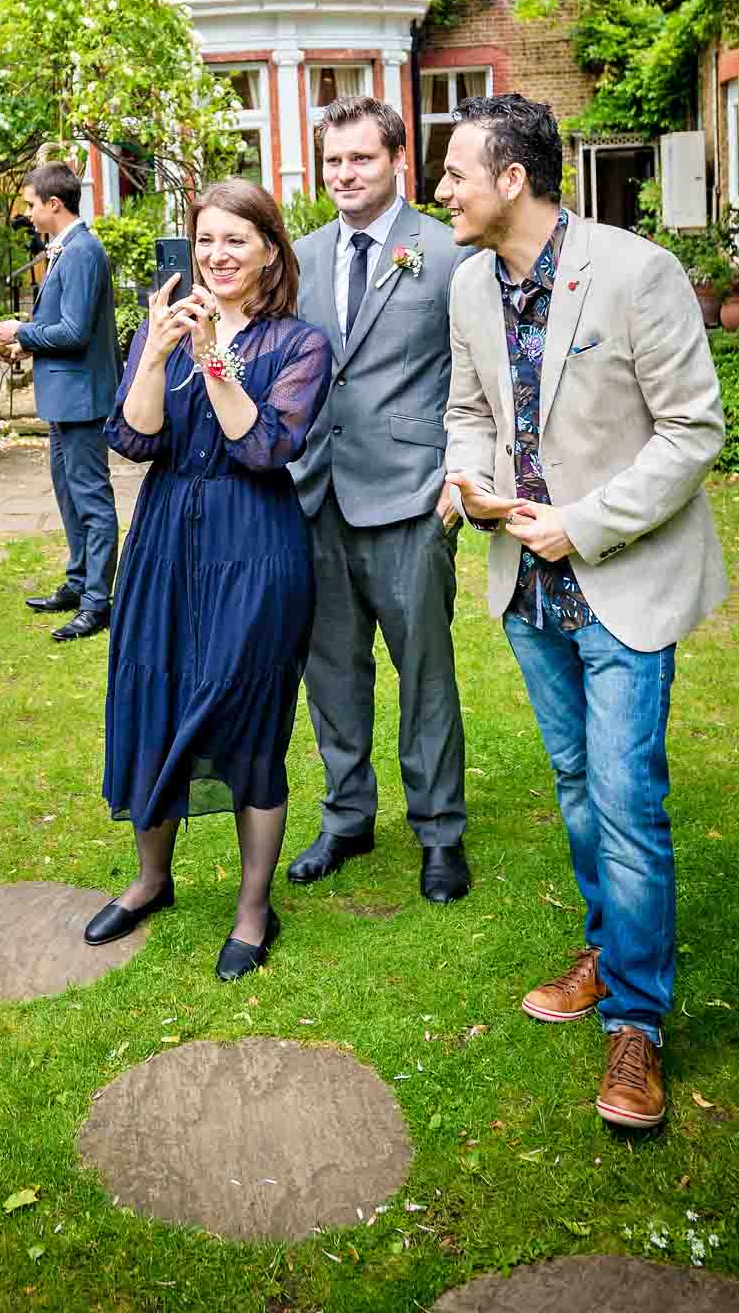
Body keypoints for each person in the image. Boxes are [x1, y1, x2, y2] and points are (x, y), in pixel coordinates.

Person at [439, 93, 726, 1130]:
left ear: (512, 179)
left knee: (626, 800)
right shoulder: (470, 286)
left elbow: (694, 430)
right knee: (572, 787)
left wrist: (583, 524)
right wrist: (463, 478)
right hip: (524, 590)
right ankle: (610, 955)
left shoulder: (635, 271)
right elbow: (470, 413)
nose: (443, 190)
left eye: (456, 173)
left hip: (623, 584)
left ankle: (640, 1025)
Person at [84, 179, 332, 980]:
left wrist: (213, 364)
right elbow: (133, 437)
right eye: (205, 242)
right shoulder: (163, 329)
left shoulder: (300, 345)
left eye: (236, 241)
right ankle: (152, 879)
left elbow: (263, 449)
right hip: (164, 545)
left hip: (256, 548)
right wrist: (155, 354)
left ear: (269, 252)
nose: (217, 256)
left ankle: (254, 910)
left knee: (246, 711)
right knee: (151, 697)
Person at [286, 96, 472, 904]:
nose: (344, 174)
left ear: (399, 159)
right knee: (330, 672)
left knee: (424, 672)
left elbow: (480, 379)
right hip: (315, 496)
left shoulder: (446, 250)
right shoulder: (300, 256)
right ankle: (347, 816)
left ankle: (439, 831)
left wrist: (461, 481)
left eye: (360, 159)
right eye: (332, 160)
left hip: (411, 500)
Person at [0, 162, 120, 642]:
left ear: (53, 205)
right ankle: (79, 581)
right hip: (65, 397)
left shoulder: (82, 252)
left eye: (30, 204)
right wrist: (29, 344)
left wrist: (21, 331)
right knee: (67, 494)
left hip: (82, 399)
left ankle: (98, 602)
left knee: (91, 498)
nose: (27, 212)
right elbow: (63, 328)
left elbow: (76, 331)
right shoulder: (69, 249)